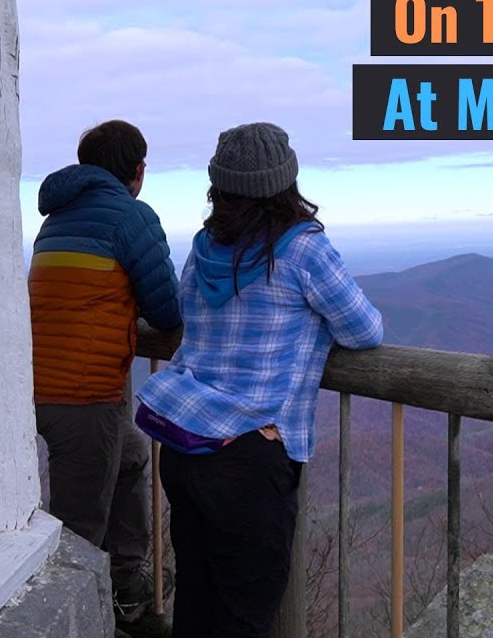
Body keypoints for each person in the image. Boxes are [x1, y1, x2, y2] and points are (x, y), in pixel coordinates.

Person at [135, 122, 384, 637]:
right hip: (251, 453)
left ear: (220, 186)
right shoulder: (303, 250)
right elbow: (364, 330)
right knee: (247, 617)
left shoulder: (204, 246)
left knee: (198, 604)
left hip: (186, 446)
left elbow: (185, 309)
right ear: (285, 182)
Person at [29, 119, 181, 634]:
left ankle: (125, 591)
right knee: (78, 534)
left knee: (133, 456)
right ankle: (92, 621)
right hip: (82, 394)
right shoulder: (131, 217)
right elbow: (166, 310)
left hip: (34, 385)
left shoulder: (57, 218)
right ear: (138, 171)